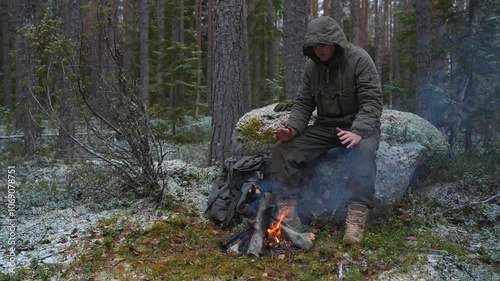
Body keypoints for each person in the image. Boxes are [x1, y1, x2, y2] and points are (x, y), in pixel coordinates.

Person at [271, 16, 383, 244]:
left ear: (335, 42)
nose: (319, 49)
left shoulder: (360, 60)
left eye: (323, 44)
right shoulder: (312, 67)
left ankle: (355, 219)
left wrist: (359, 131)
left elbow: (372, 101)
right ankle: (288, 215)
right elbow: (303, 103)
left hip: (358, 126)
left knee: (364, 151)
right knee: (282, 150)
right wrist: (292, 130)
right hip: (326, 127)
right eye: (315, 45)